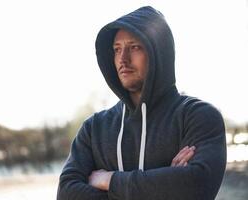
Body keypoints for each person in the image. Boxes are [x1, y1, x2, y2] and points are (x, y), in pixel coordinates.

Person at [57, 6, 226, 200]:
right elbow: (66, 193)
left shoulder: (197, 116)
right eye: (117, 49)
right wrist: (164, 187)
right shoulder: (94, 128)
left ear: (159, 52)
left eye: (135, 47)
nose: (123, 59)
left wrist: (108, 180)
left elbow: (198, 185)